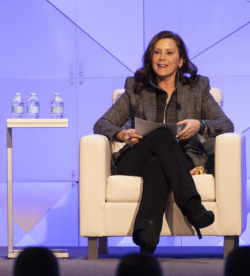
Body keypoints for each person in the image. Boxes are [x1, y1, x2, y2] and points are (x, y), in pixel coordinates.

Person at [93, 31, 234, 254]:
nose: (162, 58)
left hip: (182, 161)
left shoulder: (197, 89)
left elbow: (226, 124)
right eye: (157, 52)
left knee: (158, 164)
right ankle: (192, 205)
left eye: (169, 53)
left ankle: (146, 232)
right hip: (134, 159)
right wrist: (123, 134)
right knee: (161, 135)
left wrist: (200, 125)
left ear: (181, 61)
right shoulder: (136, 88)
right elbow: (102, 124)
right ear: (150, 58)